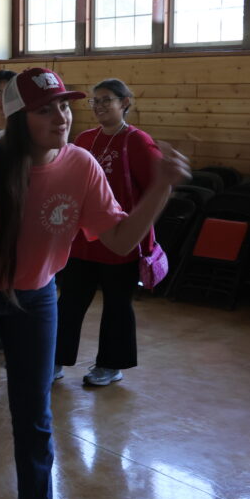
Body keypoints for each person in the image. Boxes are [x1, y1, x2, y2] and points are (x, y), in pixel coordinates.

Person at [0, 68, 189, 499]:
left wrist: (160, 188)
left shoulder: (80, 164)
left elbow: (117, 237)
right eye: (45, 108)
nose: (62, 115)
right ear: (16, 118)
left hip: (36, 297)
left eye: (64, 105)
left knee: (34, 414)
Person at [54, 79, 162, 387]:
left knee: (117, 304)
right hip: (83, 241)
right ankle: (54, 359)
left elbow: (157, 188)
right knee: (70, 301)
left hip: (121, 240)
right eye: (95, 101)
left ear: (125, 102)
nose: (99, 106)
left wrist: (138, 227)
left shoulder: (138, 141)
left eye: (106, 100)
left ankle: (110, 365)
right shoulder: (85, 139)